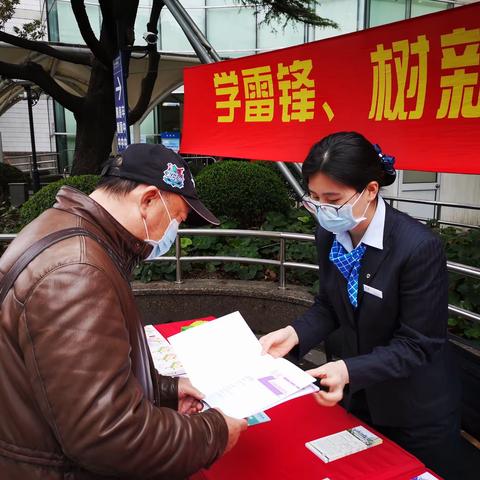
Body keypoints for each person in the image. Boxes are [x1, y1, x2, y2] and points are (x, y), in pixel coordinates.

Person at [0, 143, 247, 480]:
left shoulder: (65, 229)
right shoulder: (77, 271)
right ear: (147, 201)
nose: (174, 230)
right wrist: (213, 433)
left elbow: (67, 379)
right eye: (176, 217)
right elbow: (107, 434)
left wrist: (165, 391)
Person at [260, 132, 463, 478]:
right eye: (314, 199)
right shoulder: (329, 234)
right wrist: (294, 334)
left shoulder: (417, 248)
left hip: (415, 411)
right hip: (360, 399)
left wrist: (348, 370)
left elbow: (419, 343)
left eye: (333, 199)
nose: (324, 210)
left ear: (370, 190)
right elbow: (330, 305)